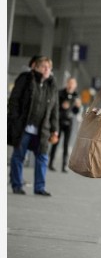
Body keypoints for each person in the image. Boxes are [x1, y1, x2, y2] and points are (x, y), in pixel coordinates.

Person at [8, 56, 59, 196]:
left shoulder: (52, 84)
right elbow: (14, 100)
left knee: (42, 157)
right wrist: (15, 119)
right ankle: (17, 185)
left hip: (42, 130)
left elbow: (54, 109)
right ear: (36, 67)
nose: (47, 70)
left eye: (49, 67)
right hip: (24, 126)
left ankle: (39, 187)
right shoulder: (26, 78)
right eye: (44, 67)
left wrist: (55, 129)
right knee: (19, 155)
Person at [49, 77, 81, 173]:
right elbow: (54, 106)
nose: (71, 85)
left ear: (75, 86)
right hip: (59, 121)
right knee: (55, 142)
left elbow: (75, 112)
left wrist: (77, 107)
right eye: (69, 83)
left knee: (66, 144)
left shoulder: (76, 96)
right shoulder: (60, 93)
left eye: (73, 83)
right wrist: (62, 106)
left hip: (69, 122)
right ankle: (51, 163)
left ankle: (64, 165)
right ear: (67, 83)